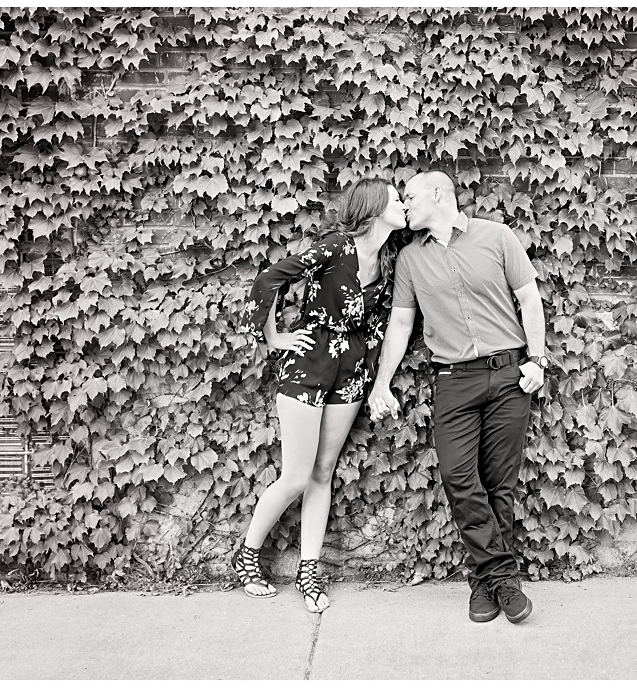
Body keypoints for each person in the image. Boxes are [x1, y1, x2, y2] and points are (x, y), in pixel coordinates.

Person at [365, 170, 548, 625]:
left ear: (438, 194)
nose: (404, 205)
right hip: (452, 381)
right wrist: (382, 382)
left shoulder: (496, 237)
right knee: (459, 478)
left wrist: (538, 360)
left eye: (409, 196)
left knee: (498, 484)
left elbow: (529, 299)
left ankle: (484, 583)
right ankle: (504, 575)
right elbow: (401, 326)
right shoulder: (409, 259)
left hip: (509, 376)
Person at [232, 178, 407, 613]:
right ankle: (247, 555)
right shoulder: (334, 247)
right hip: (309, 365)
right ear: (375, 207)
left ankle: (309, 571)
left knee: (322, 472)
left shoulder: (389, 259)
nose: (403, 204)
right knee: (295, 474)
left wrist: (377, 379)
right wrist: (273, 338)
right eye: (397, 199)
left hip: (351, 370)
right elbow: (272, 277)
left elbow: (382, 323)